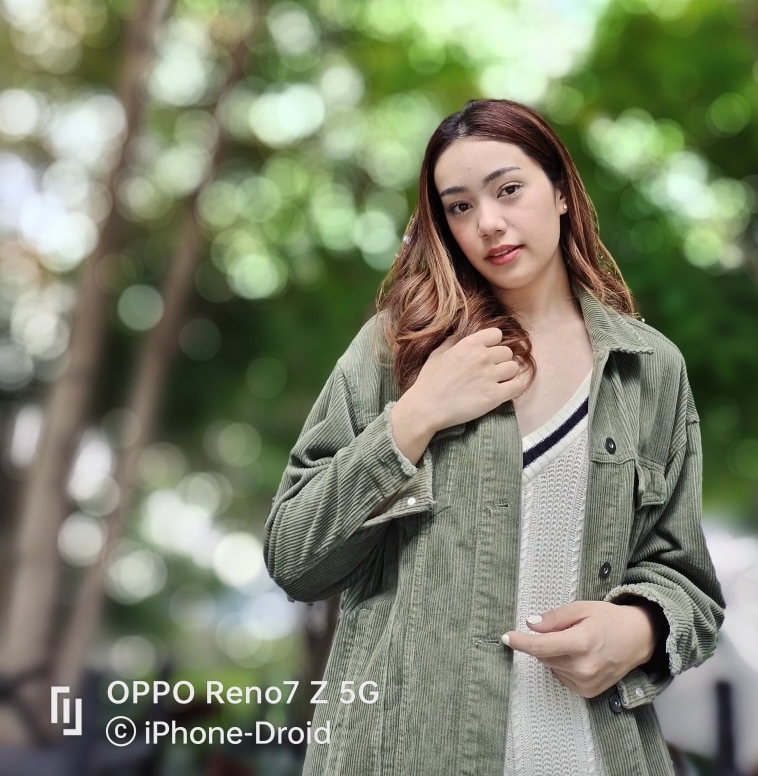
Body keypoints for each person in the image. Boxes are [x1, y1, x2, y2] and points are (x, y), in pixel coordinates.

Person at [264, 98, 725, 776]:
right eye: (458, 206)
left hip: (591, 754)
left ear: (561, 191)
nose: (488, 223)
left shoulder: (648, 370)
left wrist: (640, 626)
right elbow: (294, 555)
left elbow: (685, 577)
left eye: (509, 189)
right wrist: (418, 414)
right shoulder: (397, 353)